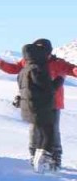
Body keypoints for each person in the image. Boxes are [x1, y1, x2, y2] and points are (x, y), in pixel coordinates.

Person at [0, 38, 76, 168]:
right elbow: (15, 68)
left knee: (53, 131)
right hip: (36, 103)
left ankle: (55, 159)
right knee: (34, 131)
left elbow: (71, 69)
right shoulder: (28, 61)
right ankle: (34, 156)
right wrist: (2, 64)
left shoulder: (58, 63)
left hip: (53, 103)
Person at [16, 42, 60, 172]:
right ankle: (42, 164)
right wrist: (59, 81)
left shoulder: (24, 69)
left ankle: (38, 162)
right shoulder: (38, 68)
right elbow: (48, 89)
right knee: (48, 135)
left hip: (29, 107)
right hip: (40, 107)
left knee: (41, 134)